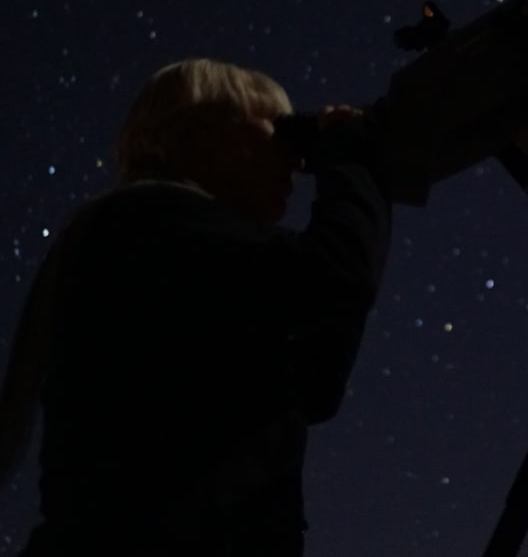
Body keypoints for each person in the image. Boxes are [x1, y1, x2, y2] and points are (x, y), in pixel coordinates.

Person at [0, 58, 392, 556]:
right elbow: (337, 276)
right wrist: (350, 159)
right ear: (196, 134)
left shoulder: (193, 258)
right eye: (275, 127)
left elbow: (317, 384)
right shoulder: (141, 221)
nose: (294, 159)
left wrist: (366, 171)